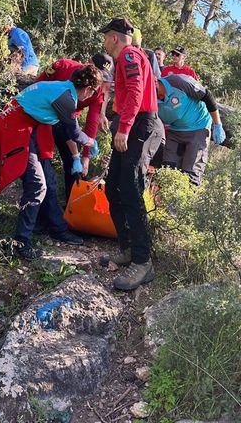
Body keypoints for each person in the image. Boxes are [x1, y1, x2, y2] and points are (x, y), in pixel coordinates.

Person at [0, 65, 100, 259]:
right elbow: (74, 132)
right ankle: (21, 242)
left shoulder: (63, 90)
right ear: (89, 89)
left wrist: (77, 156)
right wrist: (91, 142)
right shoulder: (66, 98)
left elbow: (68, 128)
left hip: (29, 128)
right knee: (37, 185)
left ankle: (52, 227)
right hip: (16, 127)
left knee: (49, 181)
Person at [99, 17, 165, 291]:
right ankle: (126, 248)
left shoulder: (128, 55)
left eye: (105, 37)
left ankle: (142, 261)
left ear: (114, 38)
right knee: (112, 188)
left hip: (139, 125)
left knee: (130, 190)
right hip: (130, 123)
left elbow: (138, 91)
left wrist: (124, 128)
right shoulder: (128, 57)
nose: (104, 43)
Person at [34, 52, 115, 202]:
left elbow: (91, 123)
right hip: (42, 117)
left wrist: (85, 156)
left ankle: (72, 207)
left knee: (74, 167)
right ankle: (45, 202)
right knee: (43, 159)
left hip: (69, 123)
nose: (97, 84)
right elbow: (37, 85)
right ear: (88, 64)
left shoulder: (97, 93)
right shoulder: (63, 66)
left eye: (103, 78)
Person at [156, 74, 226, 185]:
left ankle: (189, 200)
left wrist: (218, 125)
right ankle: (168, 201)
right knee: (168, 170)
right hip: (175, 131)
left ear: (155, 83)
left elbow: (207, 96)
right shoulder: (149, 96)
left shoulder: (179, 82)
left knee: (191, 172)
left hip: (198, 127)